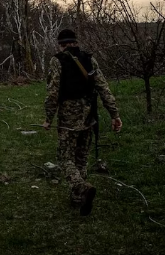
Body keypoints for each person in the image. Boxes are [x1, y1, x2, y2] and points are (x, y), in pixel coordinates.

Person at [42, 28, 122, 216]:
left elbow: (53, 93)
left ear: (60, 45)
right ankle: (78, 198)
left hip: (69, 119)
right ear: (76, 42)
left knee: (65, 158)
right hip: (89, 117)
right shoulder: (89, 59)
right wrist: (114, 114)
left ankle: (81, 188)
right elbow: (103, 88)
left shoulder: (57, 61)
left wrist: (48, 118)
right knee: (81, 157)